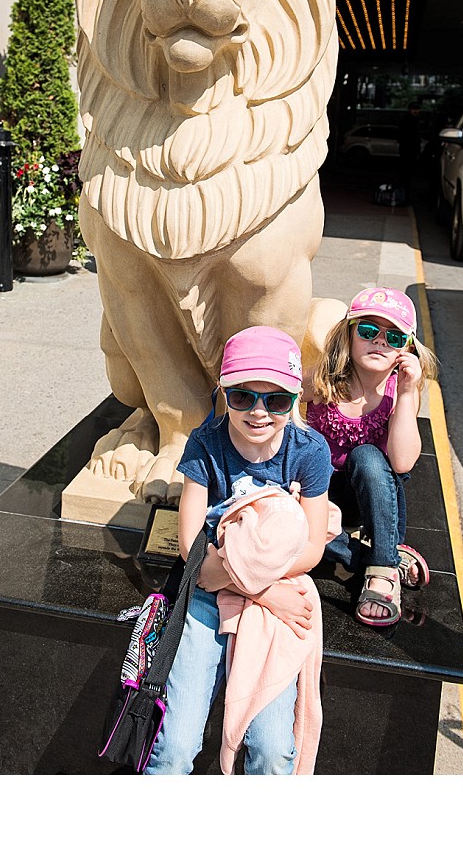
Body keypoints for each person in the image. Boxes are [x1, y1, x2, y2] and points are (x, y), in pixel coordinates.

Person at [144, 326, 333, 775]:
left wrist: (240, 582)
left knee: (272, 751)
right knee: (174, 750)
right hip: (239, 598)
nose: (260, 412)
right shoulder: (205, 445)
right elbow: (190, 545)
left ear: (295, 400)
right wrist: (265, 591)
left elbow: (312, 546)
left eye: (277, 400)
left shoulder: (309, 451)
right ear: (223, 393)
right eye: (243, 397)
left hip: (265, 595)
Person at [307, 287, 439, 626]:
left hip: (374, 502)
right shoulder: (322, 382)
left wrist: (409, 392)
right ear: (348, 334)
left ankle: (381, 569)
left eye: (393, 336)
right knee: (291, 526)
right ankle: (386, 554)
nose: (379, 341)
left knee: (366, 456)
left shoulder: (399, 395)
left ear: (406, 348)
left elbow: (403, 463)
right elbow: (280, 387)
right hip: (323, 499)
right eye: (368, 330)